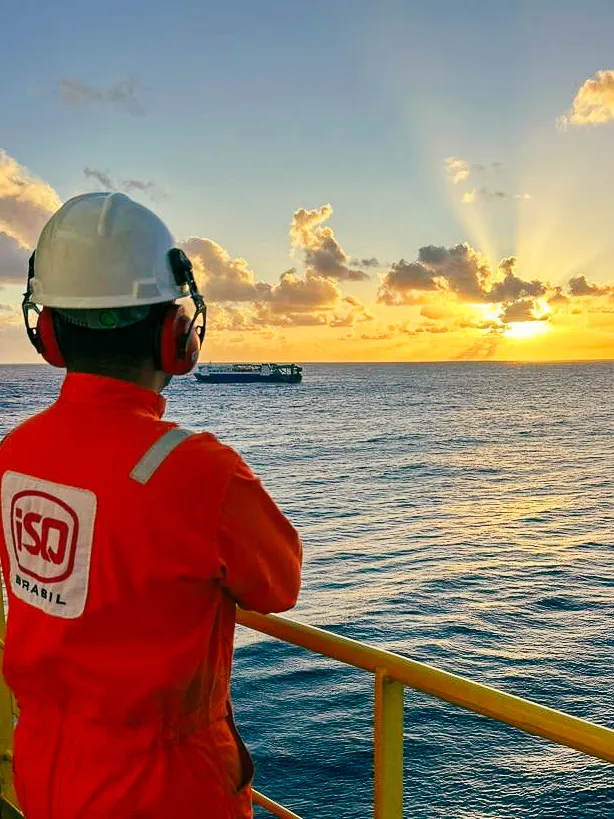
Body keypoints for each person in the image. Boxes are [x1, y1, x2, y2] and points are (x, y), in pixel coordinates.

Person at [0, 192, 302, 819]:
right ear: (175, 337)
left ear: (48, 332)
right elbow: (279, 583)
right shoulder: (198, 471)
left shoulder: (16, 452)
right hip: (164, 791)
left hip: (45, 770)